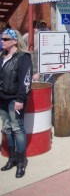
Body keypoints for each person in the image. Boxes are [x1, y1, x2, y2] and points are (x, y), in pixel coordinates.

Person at [0, 29, 33, 178]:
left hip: (15, 99)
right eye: (2, 38)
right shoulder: (2, 57)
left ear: (15, 41)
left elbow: (26, 80)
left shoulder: (23, 57)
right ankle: (12, 158)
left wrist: (20, 99)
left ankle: (21, 162)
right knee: (7, 128)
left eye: (6, 39)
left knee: (18, 129)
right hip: (2, 98)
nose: (2, 41)